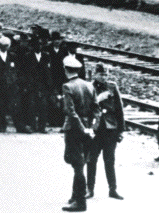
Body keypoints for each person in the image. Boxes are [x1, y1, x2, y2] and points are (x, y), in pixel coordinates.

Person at [60, 56, 100, 212]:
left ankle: (80, 202)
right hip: (88, 130)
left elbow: (71, 112)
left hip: (74, 130)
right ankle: (75, 195)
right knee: (80, 162)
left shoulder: (67, 86)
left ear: (66, 70)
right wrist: (92, 128)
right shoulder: (89, 86)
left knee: (77, 165)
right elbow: (97, 110)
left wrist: (82, 128)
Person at [86, 64, 124, 200]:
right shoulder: (89, 87)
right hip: (95, 129)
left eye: (106, 75)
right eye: (101, 74)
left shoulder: (112, 86)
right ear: (95, 74)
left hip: (110, 129)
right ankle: (89, 189)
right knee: (91, 160)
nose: (104, 77)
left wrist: (121, 130)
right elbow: (85, 108)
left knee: (110, 161)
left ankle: (113, 189)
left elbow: (119, 109)